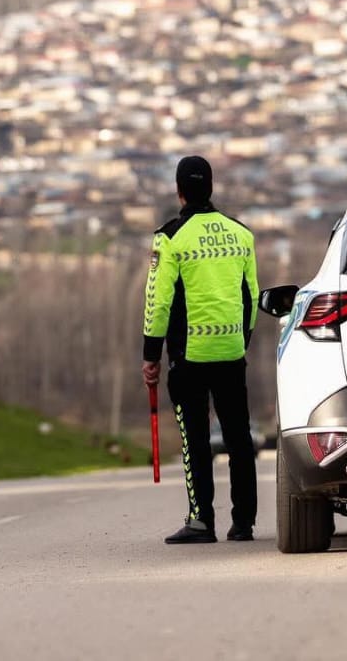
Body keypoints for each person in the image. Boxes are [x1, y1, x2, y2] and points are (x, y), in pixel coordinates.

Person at [142, 155, 259, 544]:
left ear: (179, 191)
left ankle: (201, 521)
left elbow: (158, 302)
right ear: (210, 187)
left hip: (188, 355)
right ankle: (243, 523)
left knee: (195, 438)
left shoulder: (169, 237)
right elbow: (251, 296)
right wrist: (243, 339)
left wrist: (150, 355)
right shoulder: (241, 234)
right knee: (239, 437)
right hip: (231, 349)